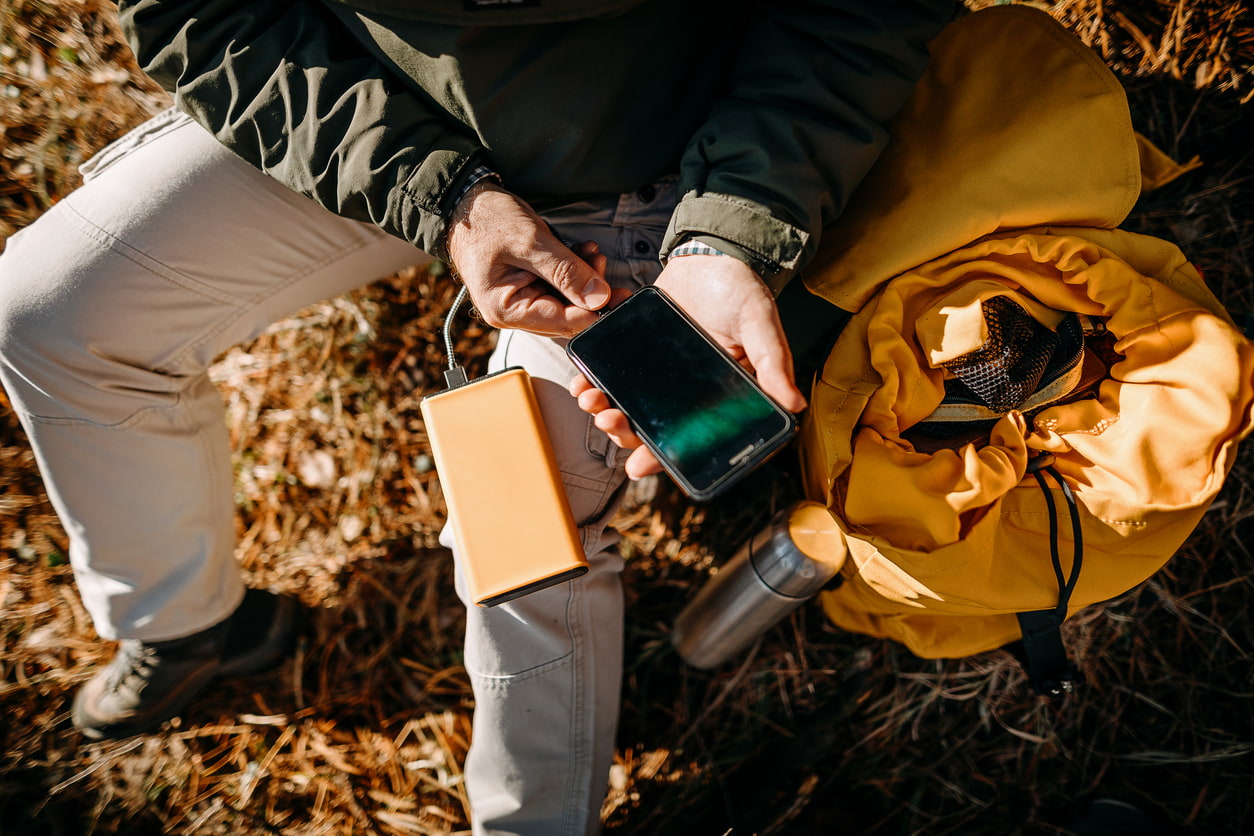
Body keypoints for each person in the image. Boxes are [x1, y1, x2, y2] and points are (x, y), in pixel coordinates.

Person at [0, 1, 956, 833]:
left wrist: (731, 227)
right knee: (48, 314)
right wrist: (444, 195)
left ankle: (532, 825)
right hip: (376, 117)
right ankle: (188, 625)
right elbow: (200, 18)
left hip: (674, 166)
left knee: (521, 531)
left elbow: (858, 13)